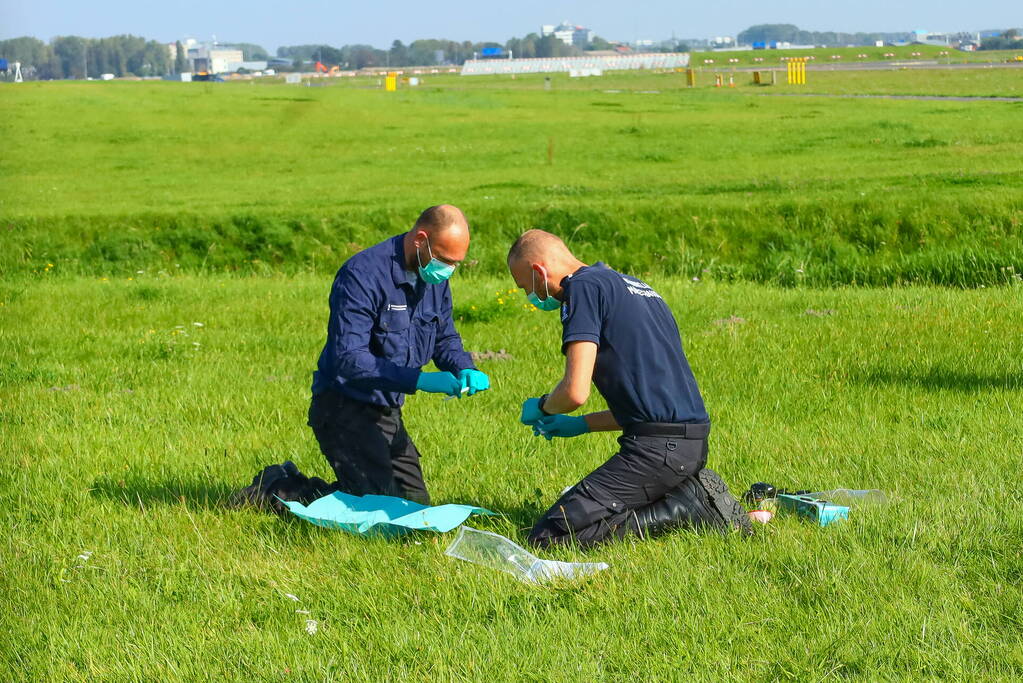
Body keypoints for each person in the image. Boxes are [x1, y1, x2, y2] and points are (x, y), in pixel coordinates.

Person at [234, 205, 489, 511]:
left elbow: (444, 336)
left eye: (455, 264)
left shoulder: (432, 279)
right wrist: (420, 380)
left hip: (388, 410)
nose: (448, 270)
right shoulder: (362, 275)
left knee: (415, 508)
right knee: (382, 511)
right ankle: (279, 488)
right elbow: (349, 358)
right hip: (344, 407)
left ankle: (341, 489)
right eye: (445, 261)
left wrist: (464, 367)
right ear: (421, 239)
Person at [507, 229, 751, 547]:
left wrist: (541, 406)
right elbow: (649, 404)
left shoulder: (582, 289)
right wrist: (579, 425)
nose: (531, 296)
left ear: (539, 271)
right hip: (689, 442)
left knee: (549, 537)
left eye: (526, 287)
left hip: (658, 451)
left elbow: (574, 392)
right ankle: (684, 491)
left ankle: (686, 507)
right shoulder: (632, 286)